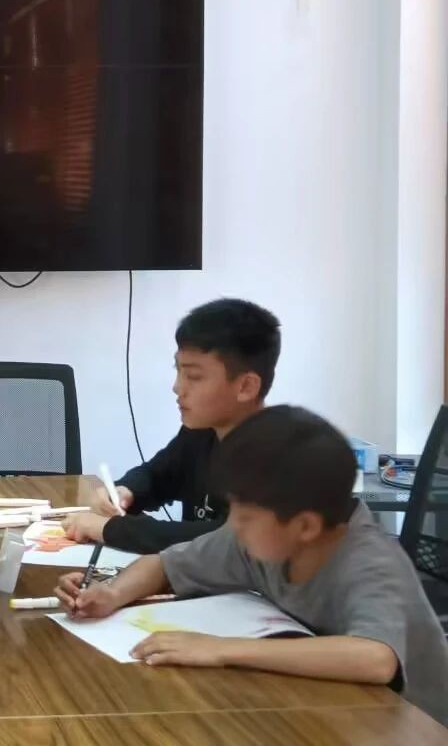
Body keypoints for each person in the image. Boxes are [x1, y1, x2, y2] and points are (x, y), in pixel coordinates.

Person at [55, 406, 448, 727]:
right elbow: (166, 565)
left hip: (412, 723)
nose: (234, 525)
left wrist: (222, 649)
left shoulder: (371, 561)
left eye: (246, 516)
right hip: (323, 709)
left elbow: (376, 658)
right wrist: (112, 594)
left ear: (305, 526)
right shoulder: (259, 536)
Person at [63, 298, 280, 553]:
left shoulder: (276, 459)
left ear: (246, 386)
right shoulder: (202, 432)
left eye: (194, 376)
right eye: (178, 371)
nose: (177, 387)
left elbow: (224, 541)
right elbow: (157, 475)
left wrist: (108, 529)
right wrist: (126, 490)